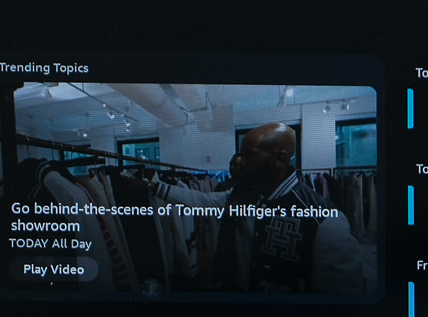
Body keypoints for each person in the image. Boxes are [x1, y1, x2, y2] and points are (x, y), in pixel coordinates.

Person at [150, 121, 374, 293]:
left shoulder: (324, 220)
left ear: (279, 159)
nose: (241, 163)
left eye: (249, 156)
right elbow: (204, 201)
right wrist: (152, 186)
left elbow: (340, 303)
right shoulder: (242, 194)